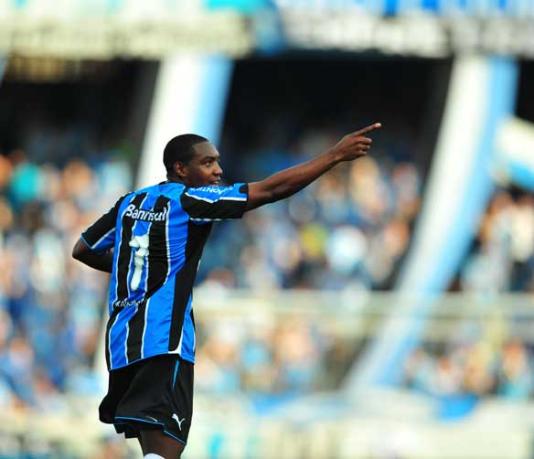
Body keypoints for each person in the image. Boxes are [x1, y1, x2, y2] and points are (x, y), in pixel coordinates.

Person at [72, 122, 381, 459]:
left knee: (154, 448)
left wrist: (139, 269)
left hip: (121, 345)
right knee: (167, 449)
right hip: (163, 341)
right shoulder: (189, 200)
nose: (218, 170)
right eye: (207, 163)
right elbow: (271, 190)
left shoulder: (130, 203)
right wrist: (334, 156)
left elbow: (83, 249)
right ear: (180, 169)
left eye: (217, 161)